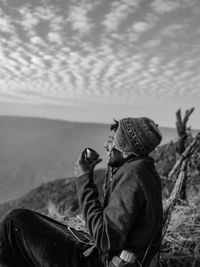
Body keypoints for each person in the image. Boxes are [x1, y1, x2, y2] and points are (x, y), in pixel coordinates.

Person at [0, 117, 163, 267]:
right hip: (109, 256)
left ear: (126, 150)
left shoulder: (134, 174)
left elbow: (105, 239)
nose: (106, 146)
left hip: (98, 262)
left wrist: (84, 178)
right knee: (43, 221)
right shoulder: (142, 170)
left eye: (111, 141)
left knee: (13, 221)